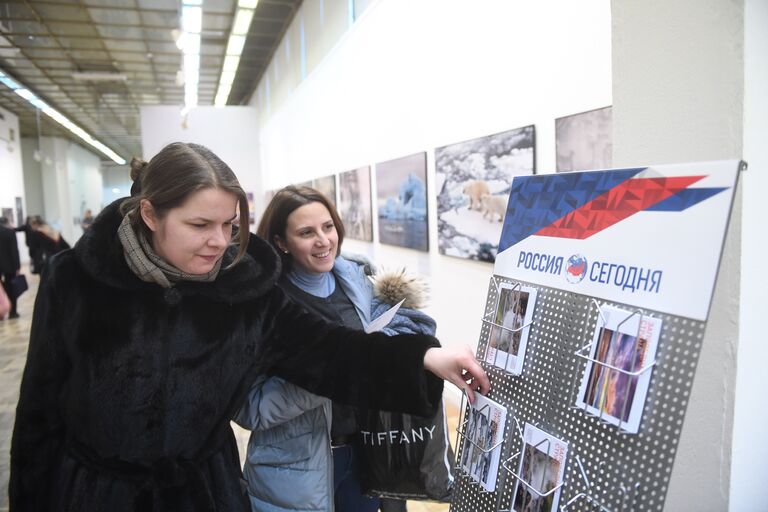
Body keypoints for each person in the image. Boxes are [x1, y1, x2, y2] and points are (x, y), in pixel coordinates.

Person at [10, 142, 489, 511]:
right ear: (151, 214)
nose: (219, 242)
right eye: (201, 225)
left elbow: (330, 351)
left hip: (205, 493)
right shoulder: (76, 280)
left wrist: (424, 357)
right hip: (95, 494)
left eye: (230, 226)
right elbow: (40, 412)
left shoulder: (243, 287)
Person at [236, 186, 440, 512]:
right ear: (280, 242)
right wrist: (334, 375)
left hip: (366, 451)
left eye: (328, 227)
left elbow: (408, 328)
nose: (323, 240)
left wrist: (396, 351)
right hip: (297, 468)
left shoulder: (358, 280)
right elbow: (251, 409)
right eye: (306, 232)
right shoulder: (266, 304)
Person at [0, 216, 21, 319]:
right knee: (11, 289)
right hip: (9, 267)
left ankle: (1, 313)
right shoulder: (10, 232)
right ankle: (13, 312)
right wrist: (17, 266)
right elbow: (14, 250)